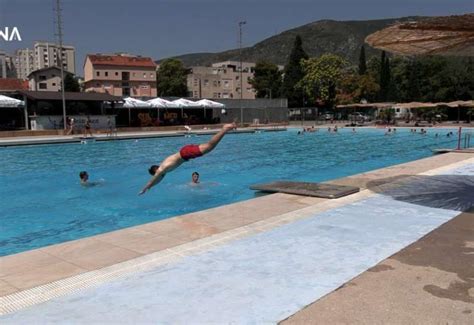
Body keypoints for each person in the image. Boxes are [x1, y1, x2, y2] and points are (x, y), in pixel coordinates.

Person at [139, 122, 236, 195]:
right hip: (185, 153)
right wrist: (150, 187)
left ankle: (225, 128)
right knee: (209, 147)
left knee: (209, 146)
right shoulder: (163, 170)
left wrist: (146, 188)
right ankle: (226, 129)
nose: (157, 175)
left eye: (155, 173)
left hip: (185, 154)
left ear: (155, 170)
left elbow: (154, 179)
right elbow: (158, 180)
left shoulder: (162, 169)